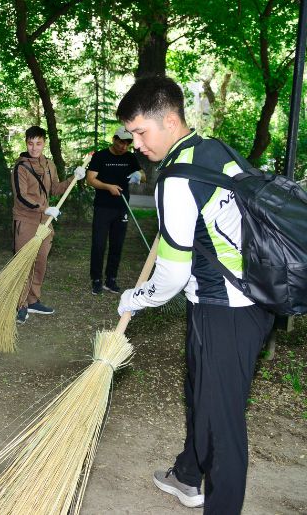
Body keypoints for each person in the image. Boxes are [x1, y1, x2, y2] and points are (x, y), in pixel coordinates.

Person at [115, 76, 274, 514]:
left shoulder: (175, 178)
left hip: (224, 309)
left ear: (170, 120)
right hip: (253, 300)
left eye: (141, 132)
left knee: (224, 425)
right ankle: (188, 474)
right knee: (202, 392)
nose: (137, 144)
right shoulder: (214, 151)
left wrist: (134, 298)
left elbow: (170, 275)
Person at [11, 125, 86, 322]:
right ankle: (21, 304)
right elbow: (21, 197)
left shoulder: (49, 165)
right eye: (30, 143)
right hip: (26, 220)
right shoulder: (20, 167)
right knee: (24, 263)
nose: (34, 148)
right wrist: (44, 209)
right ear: (26, 143)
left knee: (40, 262)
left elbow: (55, 189)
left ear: (44, 143)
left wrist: (74, 178)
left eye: (38, 143)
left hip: (45, 222)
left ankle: (33, 300)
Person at [86, 127, 143, 295]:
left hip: (122, 207)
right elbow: (90, 179)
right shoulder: (100, 156)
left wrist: (138, 176)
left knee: (117, 245)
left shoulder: (130, 157)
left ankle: (111, 279)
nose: (123, 146)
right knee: (99, 244)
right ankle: (96, 280)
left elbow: (143, 174)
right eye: (121, 142)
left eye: (127, 143)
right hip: (103, 207)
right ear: (114, 139)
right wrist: (108, 187)